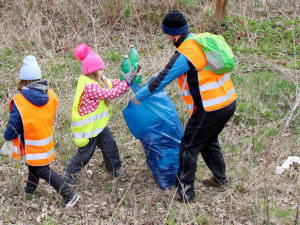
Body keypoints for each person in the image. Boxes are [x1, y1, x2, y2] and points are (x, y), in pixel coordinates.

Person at [130, 10, 237, 202]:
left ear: (174, 33)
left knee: (188, 146)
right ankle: (220, 179)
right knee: (209, 140)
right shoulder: (198, 41)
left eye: (168, 34)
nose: (168, 38)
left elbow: (164, 77)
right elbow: (169, 73)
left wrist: (138, 96)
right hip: (227, 101)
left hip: (210, 107)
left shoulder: (187, 51)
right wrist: (155, 80)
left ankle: (185, 193)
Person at [3, 55, 80, 208]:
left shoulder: (19, 100)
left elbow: (14, 125)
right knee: (34, 164)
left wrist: (8, 137)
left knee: (42, 170)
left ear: (22, 80)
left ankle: (69, 194)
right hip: (46, 138)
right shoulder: (51, 95)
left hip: (32, 140)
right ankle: (30, 190)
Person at [64, 44, 136, 185]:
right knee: (85, 153)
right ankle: (69, 174)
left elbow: (112, 84)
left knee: (110, 146)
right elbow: (110, 93)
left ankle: (114, 170)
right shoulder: (90, 87)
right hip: (88, 129)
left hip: (98, 126)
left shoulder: (98, 81)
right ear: (93, 71)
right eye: (101, 69)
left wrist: (124, 80)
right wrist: (127, 82)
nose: (103, 71)